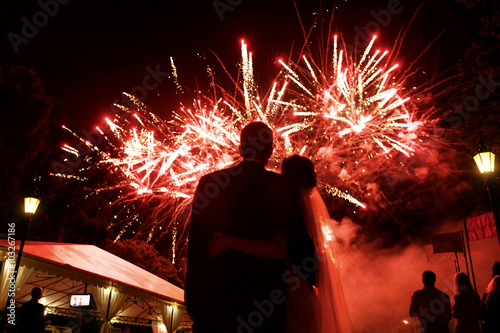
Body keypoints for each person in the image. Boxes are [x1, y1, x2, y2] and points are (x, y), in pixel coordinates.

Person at [185, 122, 316, 333]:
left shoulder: (210, 182)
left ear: (240, 148)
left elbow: (196, 246)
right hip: (265, 308)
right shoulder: (283, 187)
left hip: (217, 307)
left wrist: (192, 299)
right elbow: (298, 245)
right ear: (270, 152)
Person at [209, 155, 353, 333]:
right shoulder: (307, 206)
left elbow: (278, 249)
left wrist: (229, 241)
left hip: (290, 300)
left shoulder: (293, 208)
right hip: (303, 296)